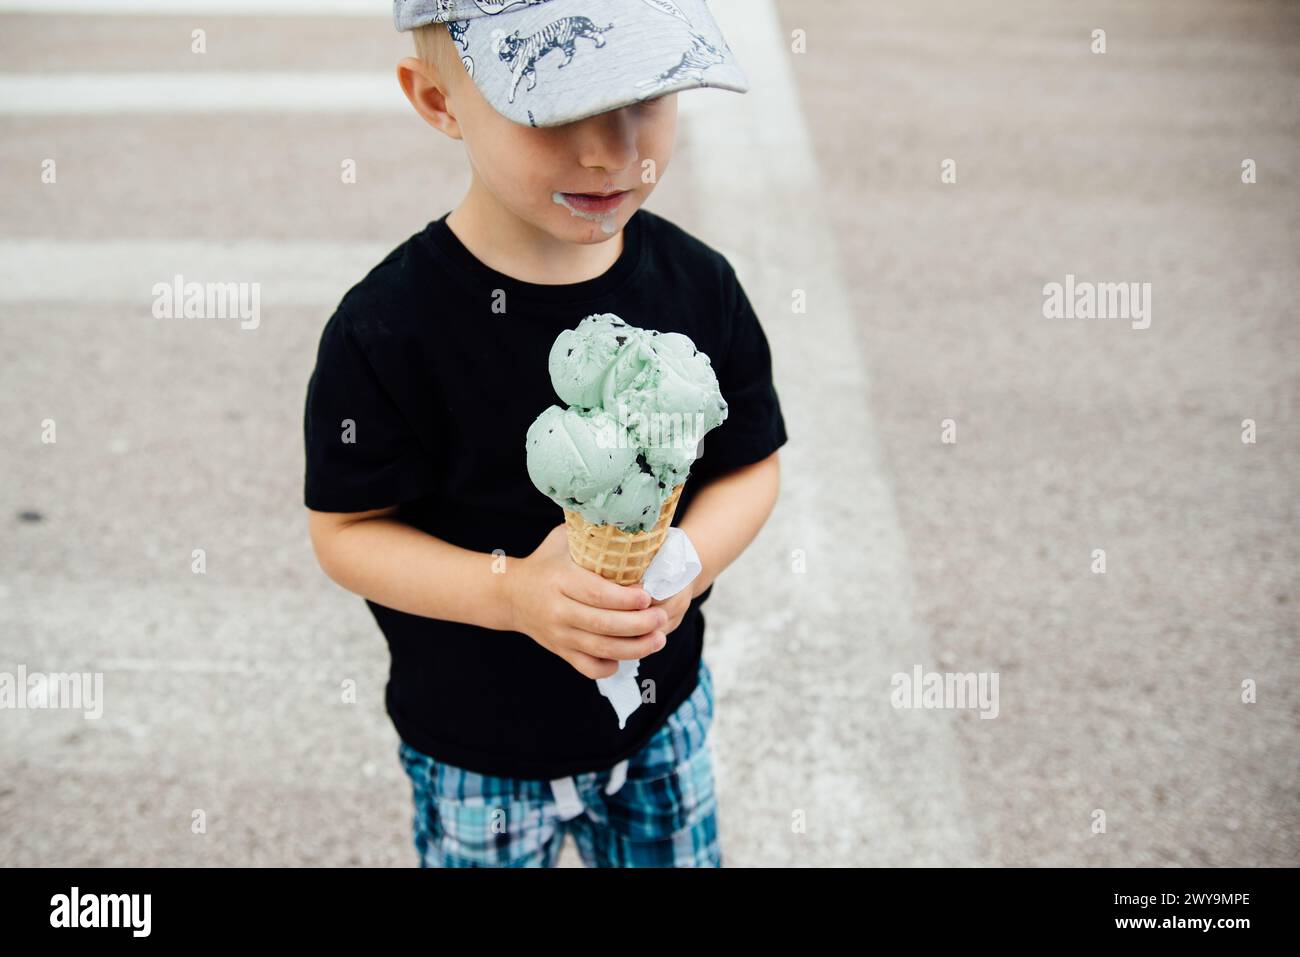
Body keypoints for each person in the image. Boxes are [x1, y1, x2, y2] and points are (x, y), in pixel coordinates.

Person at [303, 0, 787, 867]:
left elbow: (750, 468)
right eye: (554, 108)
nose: (609, 147)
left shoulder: (698, 287)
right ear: (438, 101)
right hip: (473, 751)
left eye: (646, 93)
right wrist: (509, 592)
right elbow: (346, 534)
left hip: (658, 721)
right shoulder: (388, 330)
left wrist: (687, 561)